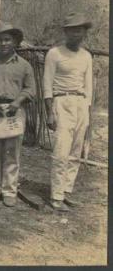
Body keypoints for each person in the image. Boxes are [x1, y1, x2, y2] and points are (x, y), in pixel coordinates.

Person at [0, 22, 36, 207]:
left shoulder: (24, 65)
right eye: (0, 40)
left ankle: (9, 190)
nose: (4, 43)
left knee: (12, 152)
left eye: (7, 39)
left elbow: (30, 89)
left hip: (14, 111)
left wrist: (17, 102)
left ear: (15, 41)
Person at [43, 12, 93, 212]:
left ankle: (65, 191)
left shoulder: (86, 56)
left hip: (80, 103)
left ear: (84, 33)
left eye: (79, 30)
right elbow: (47, 84)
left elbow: (88, 87)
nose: (75, 34)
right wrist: (50, 112)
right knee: (61, 151)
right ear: (66, 32)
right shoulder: (55, 53)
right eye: (71, 30)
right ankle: (56, 197)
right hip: (61, 101)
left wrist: (87, 113)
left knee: (75, 151)